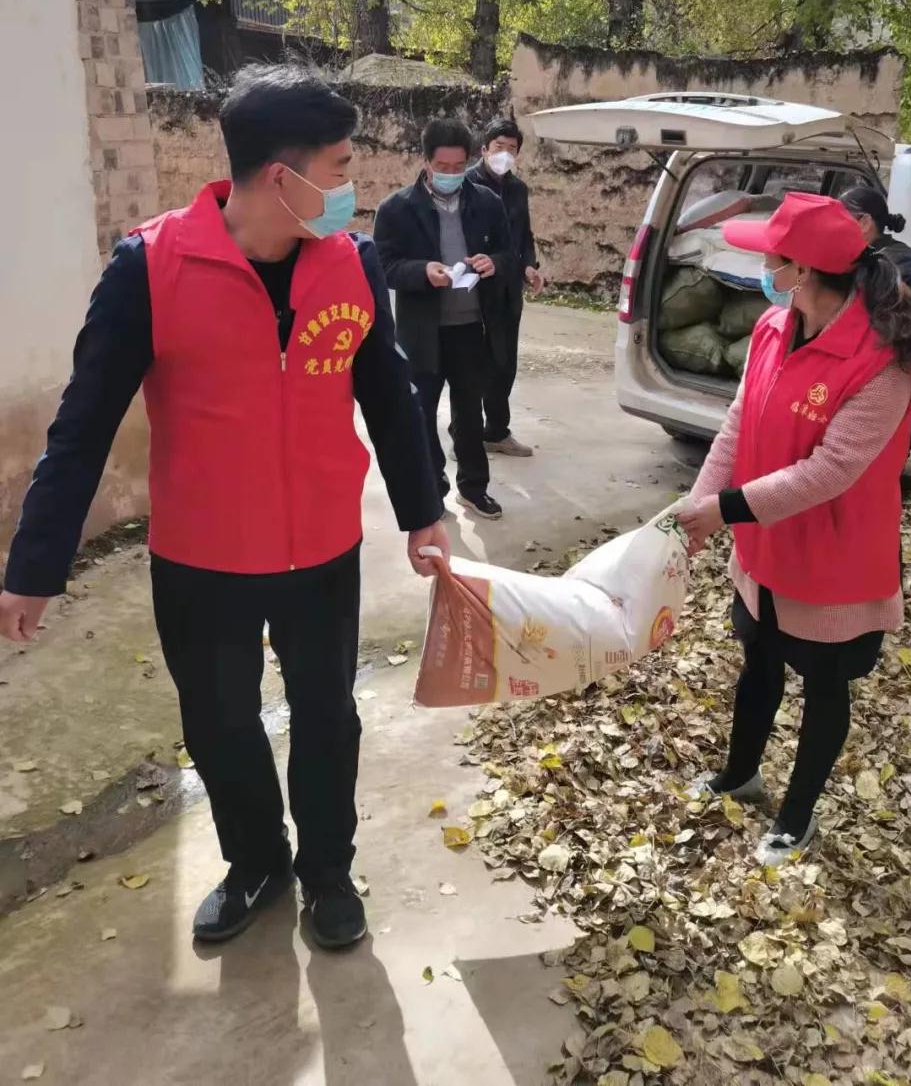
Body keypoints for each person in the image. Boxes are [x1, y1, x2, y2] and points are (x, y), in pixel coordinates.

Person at [0, 65, 449, 949]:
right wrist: (35, 566)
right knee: (219, 724)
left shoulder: (351, 263)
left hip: (321, 549)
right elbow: (82, 425)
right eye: (340, 165)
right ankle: (256, 862)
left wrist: (421, 511)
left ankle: (328, 870)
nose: (351, 184)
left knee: (329, 718)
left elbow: (391, 396)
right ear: (282, 177)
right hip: (202, 560)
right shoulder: (152, 266)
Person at [675, 192, 911, 867]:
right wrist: (700, 501)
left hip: (834, 558)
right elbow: (738, 424)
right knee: (758, 662)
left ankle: (797, 817)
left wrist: (725, 508)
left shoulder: (884, 360)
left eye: (771, 258)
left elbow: (830, 471)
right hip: (766, 542)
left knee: (824, 687)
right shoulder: (775, 325)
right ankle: (741, 773)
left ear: (801, 270)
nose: (761, 269)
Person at [374, 120, 510, 521]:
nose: (451, 174)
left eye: (458, 167)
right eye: (442, 167)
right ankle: (432, 491)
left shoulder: (487, 202)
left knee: (469, 414)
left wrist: (493, 263)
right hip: (422, 332)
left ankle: (474, 488)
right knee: (421, 415)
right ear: (425, 161)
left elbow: (508, 253)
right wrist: (422, 271)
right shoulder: (397, 209)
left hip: (470, 329)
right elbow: (383, 266)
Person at [466, 118, 545, 457]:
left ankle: (496, 431)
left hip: (509, 287)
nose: (505, 154)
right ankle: (465, 433)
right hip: (474, 286)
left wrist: (529, 265)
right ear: (484, 149)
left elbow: (523, 236)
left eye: (512, 149)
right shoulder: (466, 184)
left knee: (504, 363)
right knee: (471, 363)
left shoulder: (517, 189)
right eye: (499, 147)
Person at [841, 185, 911, 325]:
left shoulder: (893, 269)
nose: (834, 227)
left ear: (865, 223)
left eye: (841, 219)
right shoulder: (882, 256)